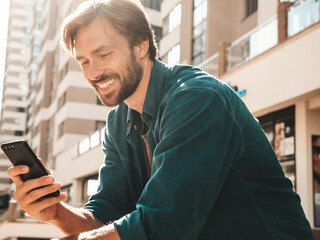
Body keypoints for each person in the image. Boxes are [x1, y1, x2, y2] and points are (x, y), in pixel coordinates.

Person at [7, 0, 315, 239]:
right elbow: (104, 215)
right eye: (84, 61)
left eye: (103, 54)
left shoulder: (196, 98)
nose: (92, 73)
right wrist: (56, 212)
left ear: (141, 45)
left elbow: (163, 225)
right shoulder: (118, 122)